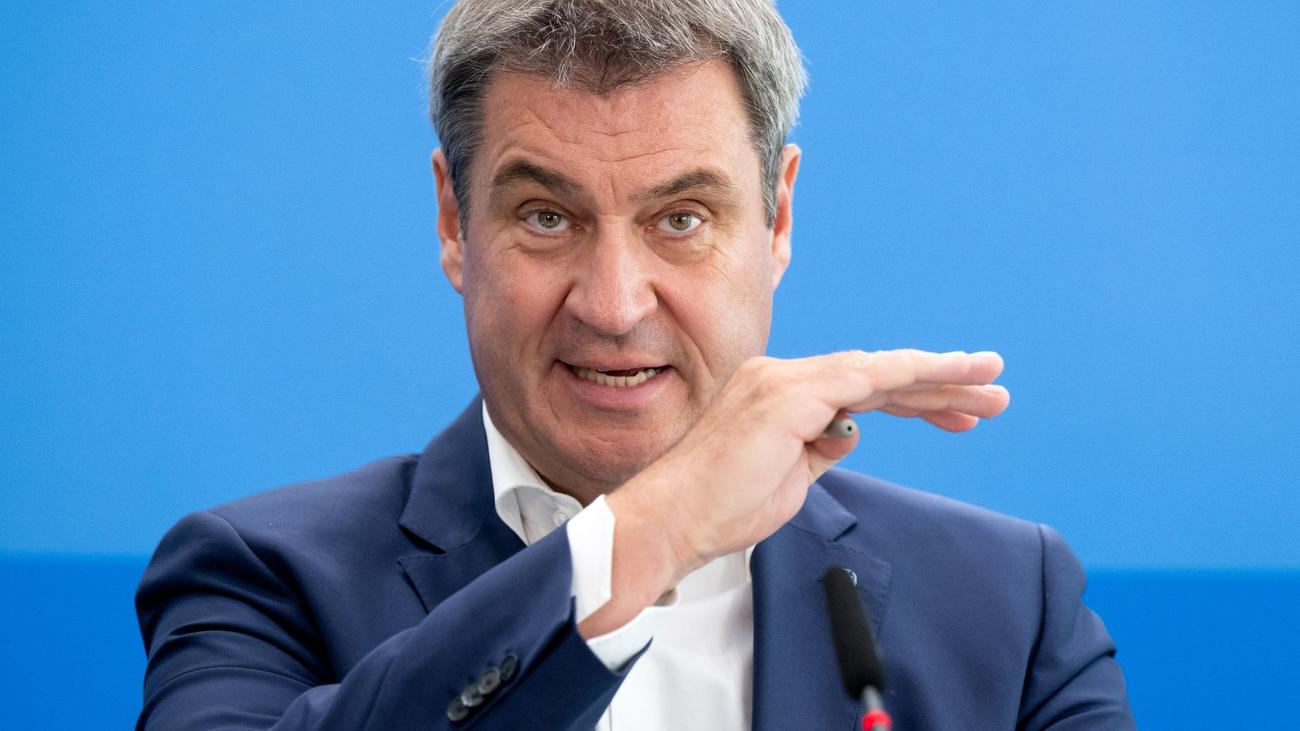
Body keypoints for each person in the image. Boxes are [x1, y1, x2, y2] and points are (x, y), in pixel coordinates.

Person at [135, 1, 1135, 728]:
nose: (613, 306)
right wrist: (651, 532)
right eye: (545, 216)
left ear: (778, 217)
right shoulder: (261, 577)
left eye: (681, 218)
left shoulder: (1008, 600)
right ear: (453, 220)